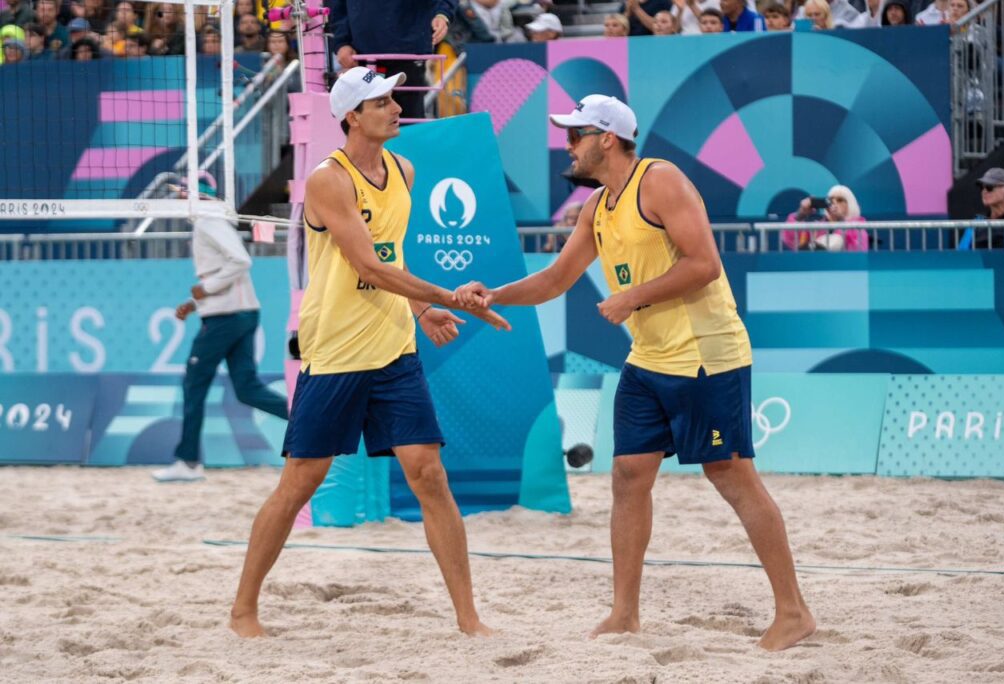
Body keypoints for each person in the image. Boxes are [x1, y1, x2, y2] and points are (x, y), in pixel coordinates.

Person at [453, 94, 815, 651]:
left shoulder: (660, 180)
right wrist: (493, 295)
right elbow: (555, 279)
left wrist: (632, 298)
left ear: (605, 138)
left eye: (575, 134)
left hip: (705, 353)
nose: (566, 144)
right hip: (649, 358)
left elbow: (705, 263)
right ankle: (624, 614)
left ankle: (793, 612)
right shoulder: (598, 206)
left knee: (731, 475)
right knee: (627, 477)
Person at [229, 66, 509, 639]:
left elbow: (392, 259)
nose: (396, 108)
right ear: (352, 116)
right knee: (300, 482)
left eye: (394, 99)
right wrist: (449, 295)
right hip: (335, 354)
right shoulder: (328, 180)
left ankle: (469, 619)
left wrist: (422, 309)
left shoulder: (404, 170)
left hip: (393, 351)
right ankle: (242, 611)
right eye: (382, 102)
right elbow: (367, 266)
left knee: (430, 474)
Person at [153, 176, 290, 483]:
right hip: (239, 313)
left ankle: (188, 462)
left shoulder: (207, 219)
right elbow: (226, 269)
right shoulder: (213, 218)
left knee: (194, 385)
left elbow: (241, 261)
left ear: (193, 194)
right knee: (247, 389)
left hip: (226, 319)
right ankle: (312, 426)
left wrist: (205, 288)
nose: (176, 199)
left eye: (180, 193)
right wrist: (194, 300)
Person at [330, 0, 453, 122]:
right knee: (370, 120)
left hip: (408, 58)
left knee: (408, 123)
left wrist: (442, 14)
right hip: (366, 60)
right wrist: (341, 42)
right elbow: (337, 6)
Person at [782, 185, 868, 251]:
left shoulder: (858, 227)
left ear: (850, 204)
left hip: (844, 270)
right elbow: (791, 242)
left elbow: (858, 249)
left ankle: (819, 248)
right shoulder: (817, 227)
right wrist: (800, 216)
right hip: (819, 270)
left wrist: (841, 221)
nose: (834, 203)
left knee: (837, 240)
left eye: (840, 200)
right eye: (830, 200)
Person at [957, 167, 1004, 250]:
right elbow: (961, 255)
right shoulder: (976, 224)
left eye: (989, 187)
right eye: (982, 187)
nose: (984, 191)